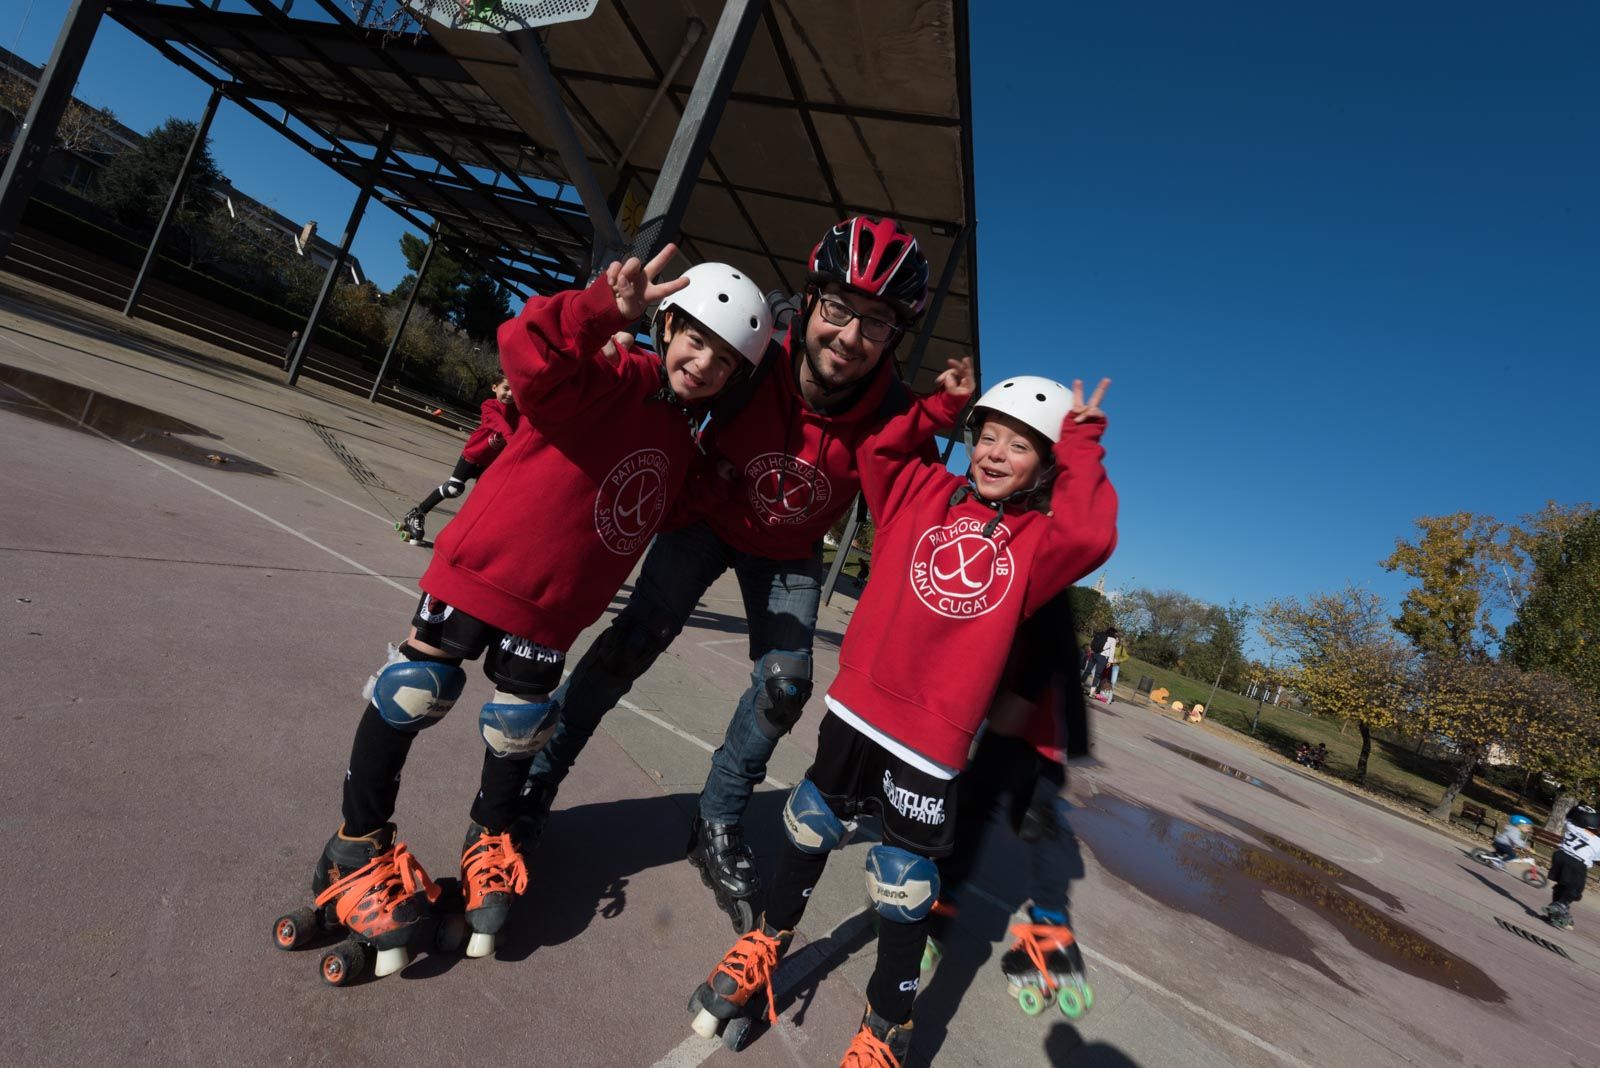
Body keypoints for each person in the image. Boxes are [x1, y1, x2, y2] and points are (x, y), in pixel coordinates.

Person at [280, 247, 773, 978]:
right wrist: (601, 309)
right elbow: (525, 348)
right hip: (482, 571)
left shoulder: (682, 437)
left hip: (555, 612)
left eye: (724, 360)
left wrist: (722, 483)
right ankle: (356, 844)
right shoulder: (610, 372)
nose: (703, 363)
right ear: (666, 327)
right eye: (695, 338)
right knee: (413, 691)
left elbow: (663, 507)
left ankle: (490, 841)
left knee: (517, 731)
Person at [516, 216, 937, 930]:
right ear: (809, 301)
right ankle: (534, 784)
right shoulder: (751, 359)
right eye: (838, 308)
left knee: (785, 686)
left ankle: (717, 820)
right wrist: (609, 336)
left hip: (787, 550)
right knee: (631, 643)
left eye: (876, 321)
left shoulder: (893, 413)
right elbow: (657, 387)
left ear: (895, 336)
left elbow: (919, 513)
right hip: (707, 520)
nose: (849, 335)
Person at [687, 369, 1117, 1066]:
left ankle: (888, 1023)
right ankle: (766, 940)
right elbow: (880, 451)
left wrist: (1085, 442)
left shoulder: (1038, 546)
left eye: (1019, 447)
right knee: (808, 825)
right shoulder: (920, 492)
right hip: (857, 708)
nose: (995, 453)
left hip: (930, 741)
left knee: (903, 883)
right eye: (988, 436)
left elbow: (1093, 532)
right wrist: (941, 408)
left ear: (1046, 469)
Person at [925, 591, 1094, 1017]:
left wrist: (1017, 699)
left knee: (983, 812)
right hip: (1037, 728)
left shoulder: (1043, 575)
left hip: (1029, 724)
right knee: (1030, 823)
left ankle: (943, 910)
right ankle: (1051, 933)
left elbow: (1048, 642)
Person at [397, 375, 519, 544]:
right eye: (506, 388)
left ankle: (468, 535)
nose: (510, 393)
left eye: (514, 389)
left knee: (485, 496)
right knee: (453, 488)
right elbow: (501, 425)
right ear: (494, 388)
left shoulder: (518, 412)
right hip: (472, 455)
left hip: (489, 463)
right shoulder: (489, 406)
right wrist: (512, 439)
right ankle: (418, 513)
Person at [1542, 803, 1600, 930]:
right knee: (1576, 889)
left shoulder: (1572, 826)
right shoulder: (1597, 842)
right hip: (1576, 863)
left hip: (1560, 856)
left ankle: (1556, 910)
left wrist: (1578, 809)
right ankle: (1561, 905)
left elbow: (1568, 817)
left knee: (1562, 885)